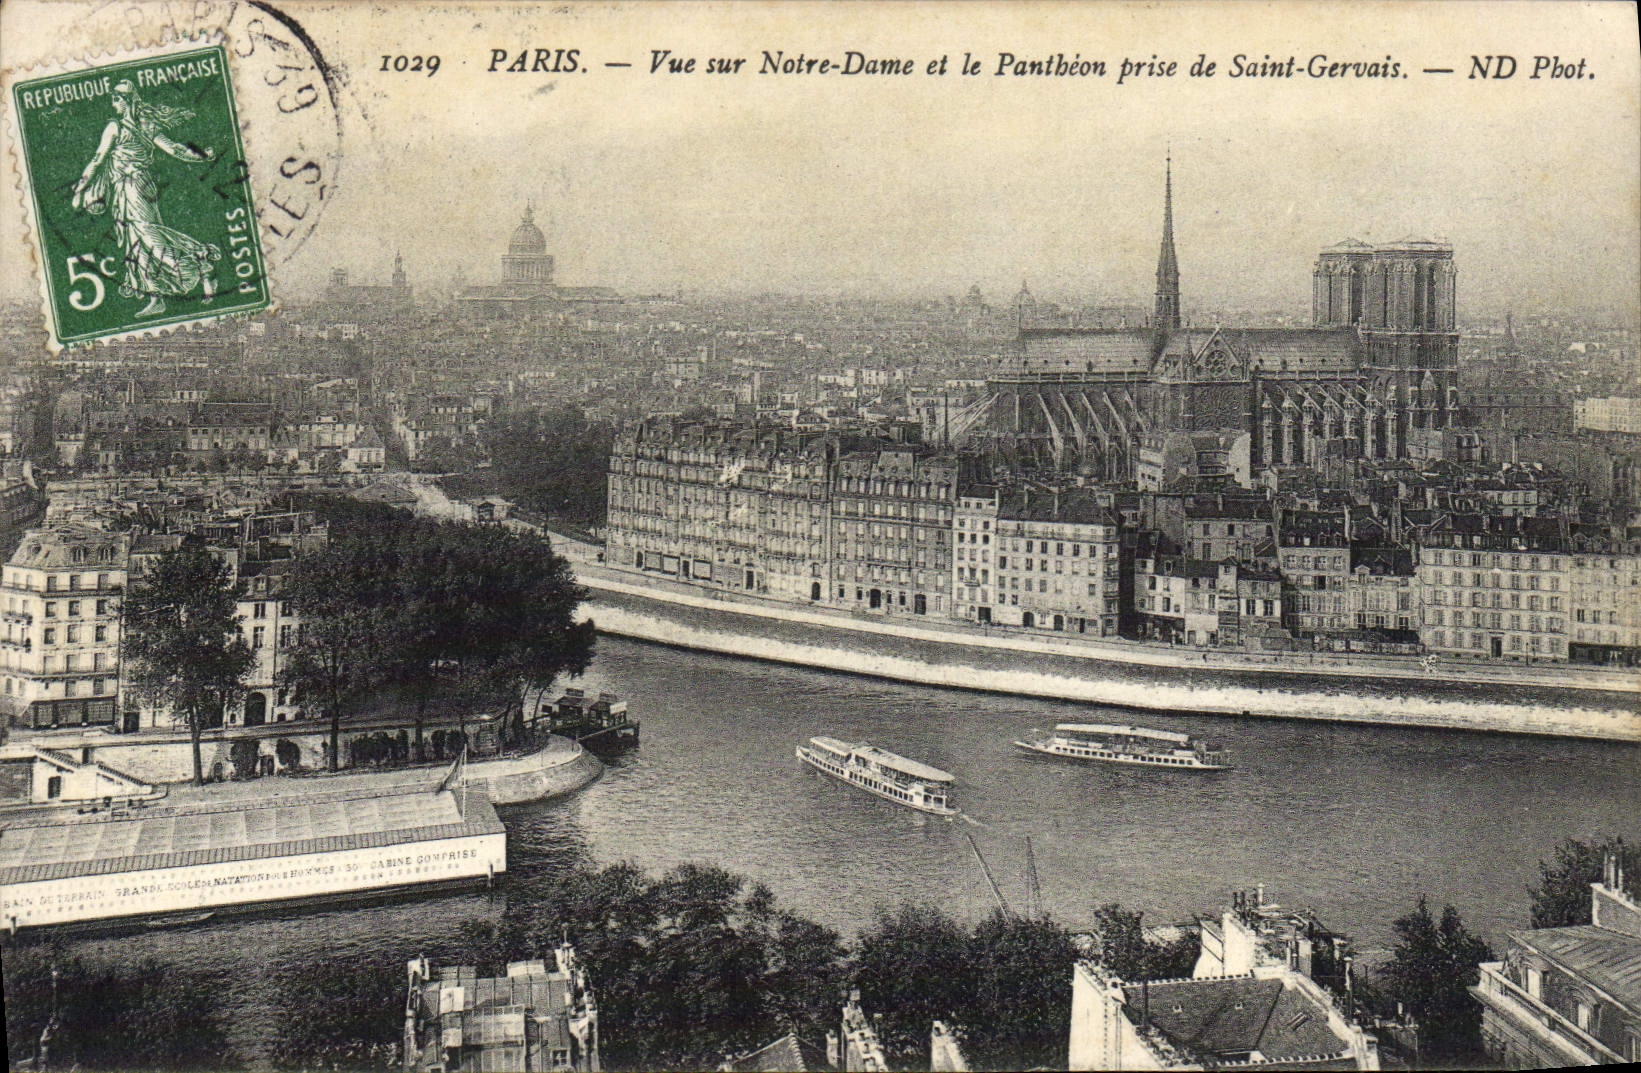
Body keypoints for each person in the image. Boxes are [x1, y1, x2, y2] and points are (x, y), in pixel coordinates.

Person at [71, 79, 222, 316]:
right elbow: (175, 149)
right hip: (131, 189)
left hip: (133, 188)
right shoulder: (145, 125)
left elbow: (98, 159)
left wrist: (80, 188)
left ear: (126, 100)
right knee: (136, 242)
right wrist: (200, 156)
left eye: (116, 99)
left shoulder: (116, 127)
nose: (113, 104)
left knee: (149, 238)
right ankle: (156, 297)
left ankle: (202, 265)